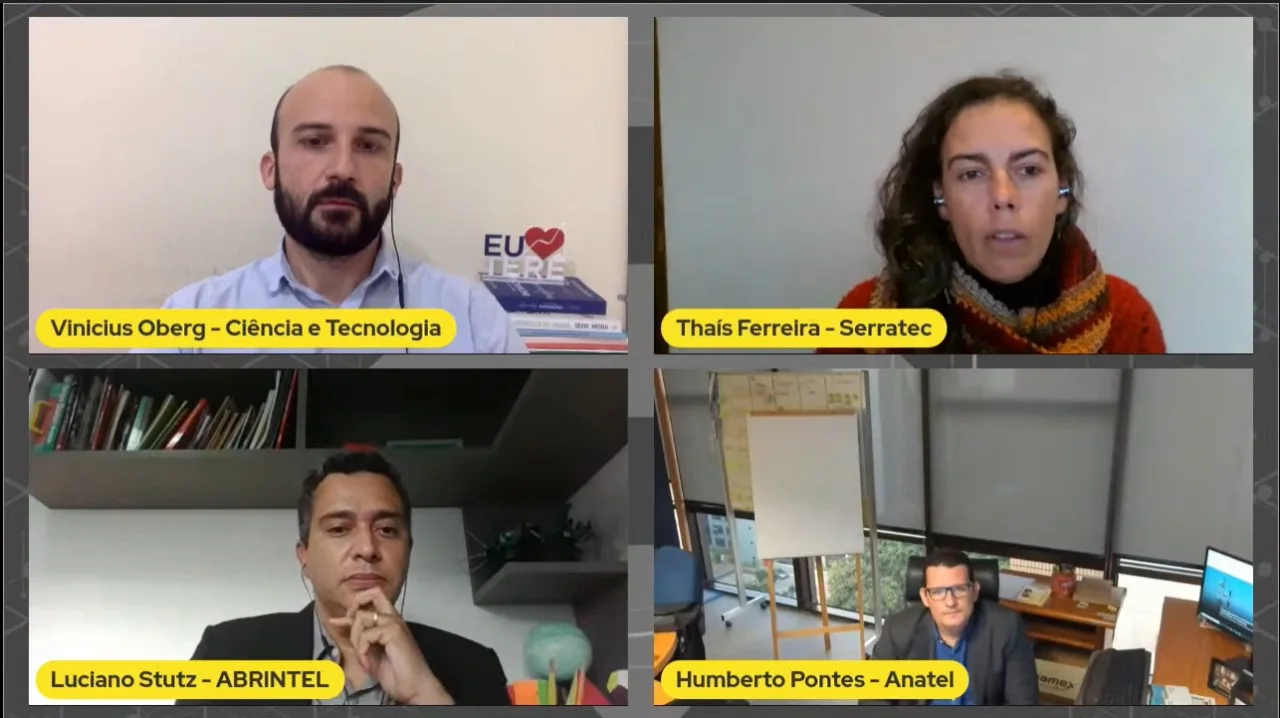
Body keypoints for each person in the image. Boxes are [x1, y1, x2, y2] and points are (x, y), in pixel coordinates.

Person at [159, 65, 527, 353]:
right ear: (270, 170)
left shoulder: (475, 319)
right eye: (315, 141)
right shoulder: (189, 319)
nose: (343, 169)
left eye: (368, 146)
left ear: (395, 179)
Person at [821, 71, 1165, 355]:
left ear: (1062, 191)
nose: (1002, 196)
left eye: (1028, 170)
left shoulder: (1128, 320)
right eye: (972, 174)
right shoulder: (862, 316)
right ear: (941, 198)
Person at [179, 451, 512, 706]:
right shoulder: (227, 652)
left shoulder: (474, 667)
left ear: (408, 550)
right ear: (304, 555)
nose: (367, 549)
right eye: (339, 529)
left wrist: (427, 696)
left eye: (387, 530)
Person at [865, 548, 1039, 706]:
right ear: (925, 597)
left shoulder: (1007, 628)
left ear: (974, 591)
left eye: (959, 589)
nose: (950, 602)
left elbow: (1023, 704)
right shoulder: (897, 630)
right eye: (938, 592)